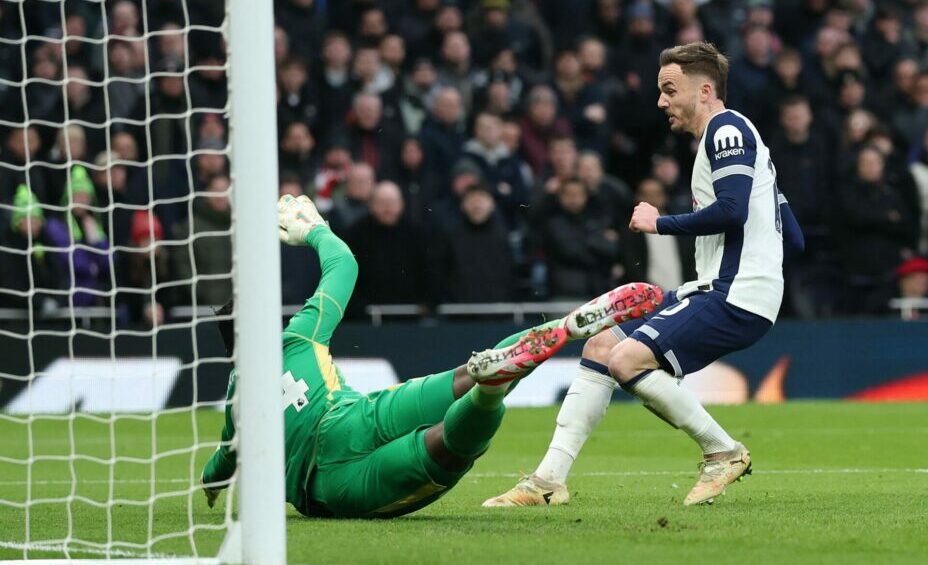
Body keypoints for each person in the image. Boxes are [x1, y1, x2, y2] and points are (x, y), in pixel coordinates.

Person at [201, 193, 662, 519]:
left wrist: (210, 484)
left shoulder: (237, 400)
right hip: (353, 417)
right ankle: (557, 332)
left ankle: (488, 395)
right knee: (461, 377)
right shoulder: (297, 337)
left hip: (330, 484)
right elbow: (345, 265)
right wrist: (316, 231)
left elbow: (224, 460)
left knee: (442, 449)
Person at [485, 41, 805, 508]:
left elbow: (733, 211)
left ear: (705, 90)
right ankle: (548, 480)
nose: (661, 101)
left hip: (733, 292)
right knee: (601, 347)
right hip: (724, 288)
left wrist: (661, 223)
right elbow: (793, 237)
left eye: (670, 90)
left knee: (627, 361)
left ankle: (722, 451)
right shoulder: (742, 142)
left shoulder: (726, 129)